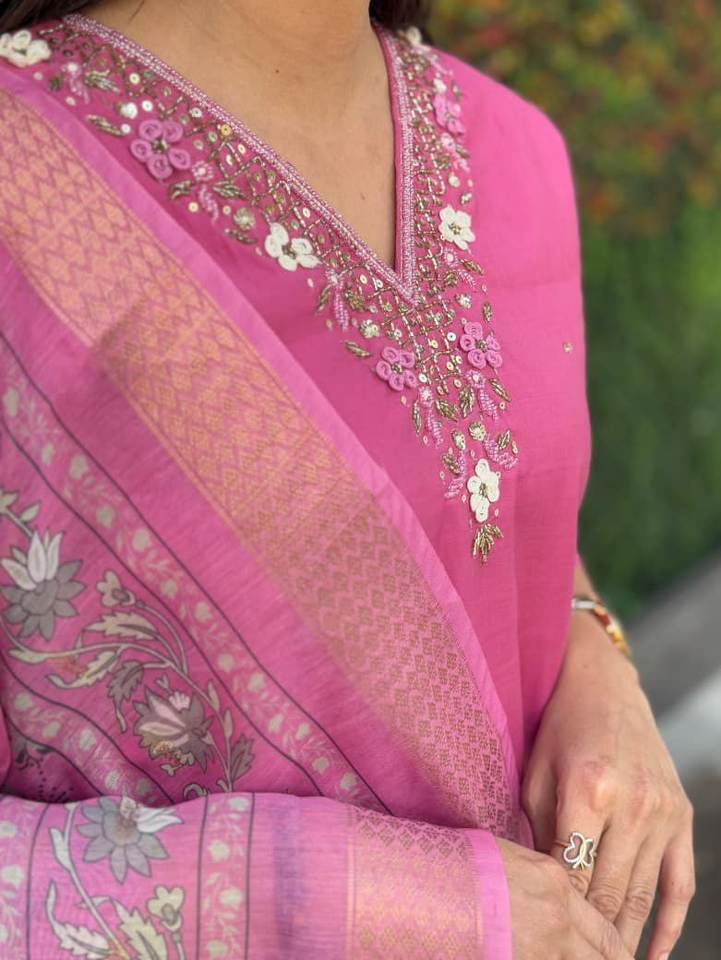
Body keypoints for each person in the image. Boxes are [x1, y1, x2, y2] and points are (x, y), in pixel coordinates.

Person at [0, 1, 694, 957]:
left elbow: (477, 522)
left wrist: (597, 660)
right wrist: (317, 893)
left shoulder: (510, 146)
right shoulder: (22, 183)